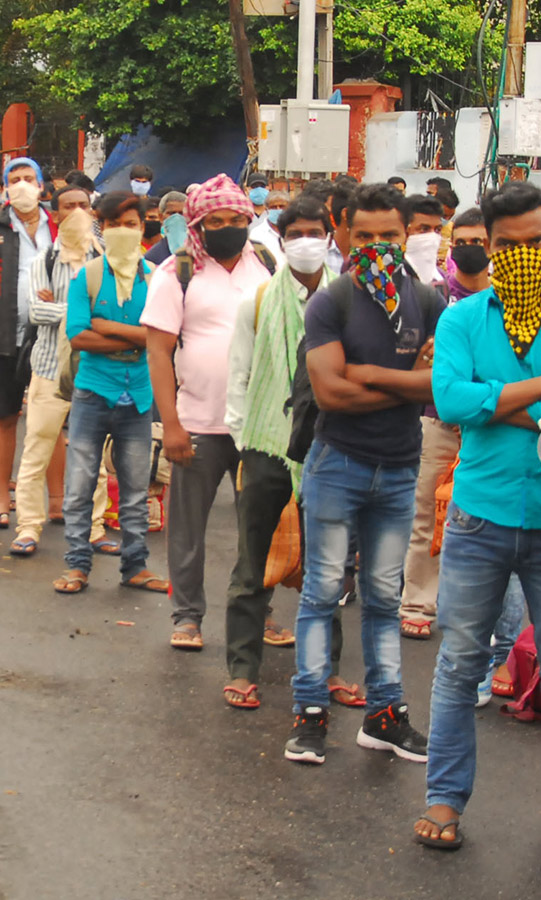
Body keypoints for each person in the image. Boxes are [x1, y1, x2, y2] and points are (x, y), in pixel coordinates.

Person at [415, 181, 541, 849]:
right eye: (509, 246)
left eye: (536, 242)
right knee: (460, 661)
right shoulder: (462, 318)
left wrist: (496, 399)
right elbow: (450, 400)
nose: (523, 254)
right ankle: (443, 801)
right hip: (480, 515)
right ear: (486, 250)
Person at [284, 182, 443, 767]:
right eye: (367, 235)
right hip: (338, 464)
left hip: (400, 470)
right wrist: (405, 385)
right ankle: (309, 714)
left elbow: (440, 386)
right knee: (323, 591)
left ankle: (384, 715)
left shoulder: (427, 301)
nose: (379, 245)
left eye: (391, 236)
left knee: (383, 595)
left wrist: (369, 376)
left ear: (408, 236)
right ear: (345, 233)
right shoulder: (332, 301)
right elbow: (328, 392)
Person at [143, 173, 275, 646]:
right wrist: (171, 424)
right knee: (187, 529)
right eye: (215, 220)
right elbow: (158, 351)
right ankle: (187, 616)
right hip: (197, 421)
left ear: (248, 219)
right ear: (197, 225)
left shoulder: (267, 265)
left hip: (259, 426)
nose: (227, 227)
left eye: (236, 219)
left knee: (260, 525)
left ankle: (261, 611)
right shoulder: (177, 273)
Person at [222, 195, 334, 709]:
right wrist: (246, 443)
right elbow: (240, 376)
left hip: (330, 449)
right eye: (296, 234)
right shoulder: (259, 301)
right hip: (267, 445)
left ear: (331, 236)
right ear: (282, 240)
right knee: (252, 564)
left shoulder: (347, 301)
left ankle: (326, 672)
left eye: (315, 232)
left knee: (326, 566)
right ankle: (243, 668)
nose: (306, 242)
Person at [51, 191, 168, 595]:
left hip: (138, 395)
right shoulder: (89, 275)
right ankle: (77, 565)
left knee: (136, 489)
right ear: (103, 227)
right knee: (80, 484)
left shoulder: (157, 278)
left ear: (142, 229)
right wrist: (137, 342)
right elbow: (79, 336)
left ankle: (135, 566)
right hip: (92, 392)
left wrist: (110, 329)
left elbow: (162, 337)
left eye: (131, 224)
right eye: (115, 224)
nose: (123, 231)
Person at [10, 183, 113, 558]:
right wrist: (85, 316)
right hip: (50, 369)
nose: (77, 212)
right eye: (68, 206)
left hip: (94, 370)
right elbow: (36, 314)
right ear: (55, 215)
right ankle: (27, 527)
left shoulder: (106, 261)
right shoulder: (44, 261)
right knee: (36, 449)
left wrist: (67, 311)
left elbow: (115, 313)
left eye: (83, 205)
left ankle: (95, 527)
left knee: (94, 458)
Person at [400, 207, 487, 641]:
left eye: (481, 242)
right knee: (425, 514)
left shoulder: (509, 298)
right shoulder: (432, 295)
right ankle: (418, 601)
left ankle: (478, 613)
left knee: (488, 519)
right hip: (436, 421)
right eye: (464, 241)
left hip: (492, 423)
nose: (472, 249)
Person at [0, 157, 57, 529]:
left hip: (51, 340)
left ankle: (59, 502)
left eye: (28, 178)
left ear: (41, 185)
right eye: (14, 179)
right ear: (4, 188)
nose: (22, 185)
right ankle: (3, 498)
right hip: (2, 338)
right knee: (3, 417)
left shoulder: (60, 225)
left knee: (52, 420)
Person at [403, 193, 446, 287]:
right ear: (405, 231)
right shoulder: (391, 277)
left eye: (437, 230)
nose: (432, 236)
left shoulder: (441, 279)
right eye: (424, 229)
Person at [145, 191, 188, 265]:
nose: (177, 218)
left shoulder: (201, 252)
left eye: (182, 213)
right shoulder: (152, 257)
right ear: (161, 217)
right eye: (172, 213)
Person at [247, 190, 289, 260]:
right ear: (266, 209)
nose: (278, 210)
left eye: (282, 206)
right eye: (273, 207)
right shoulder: (256, 233)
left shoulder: (297, 230)